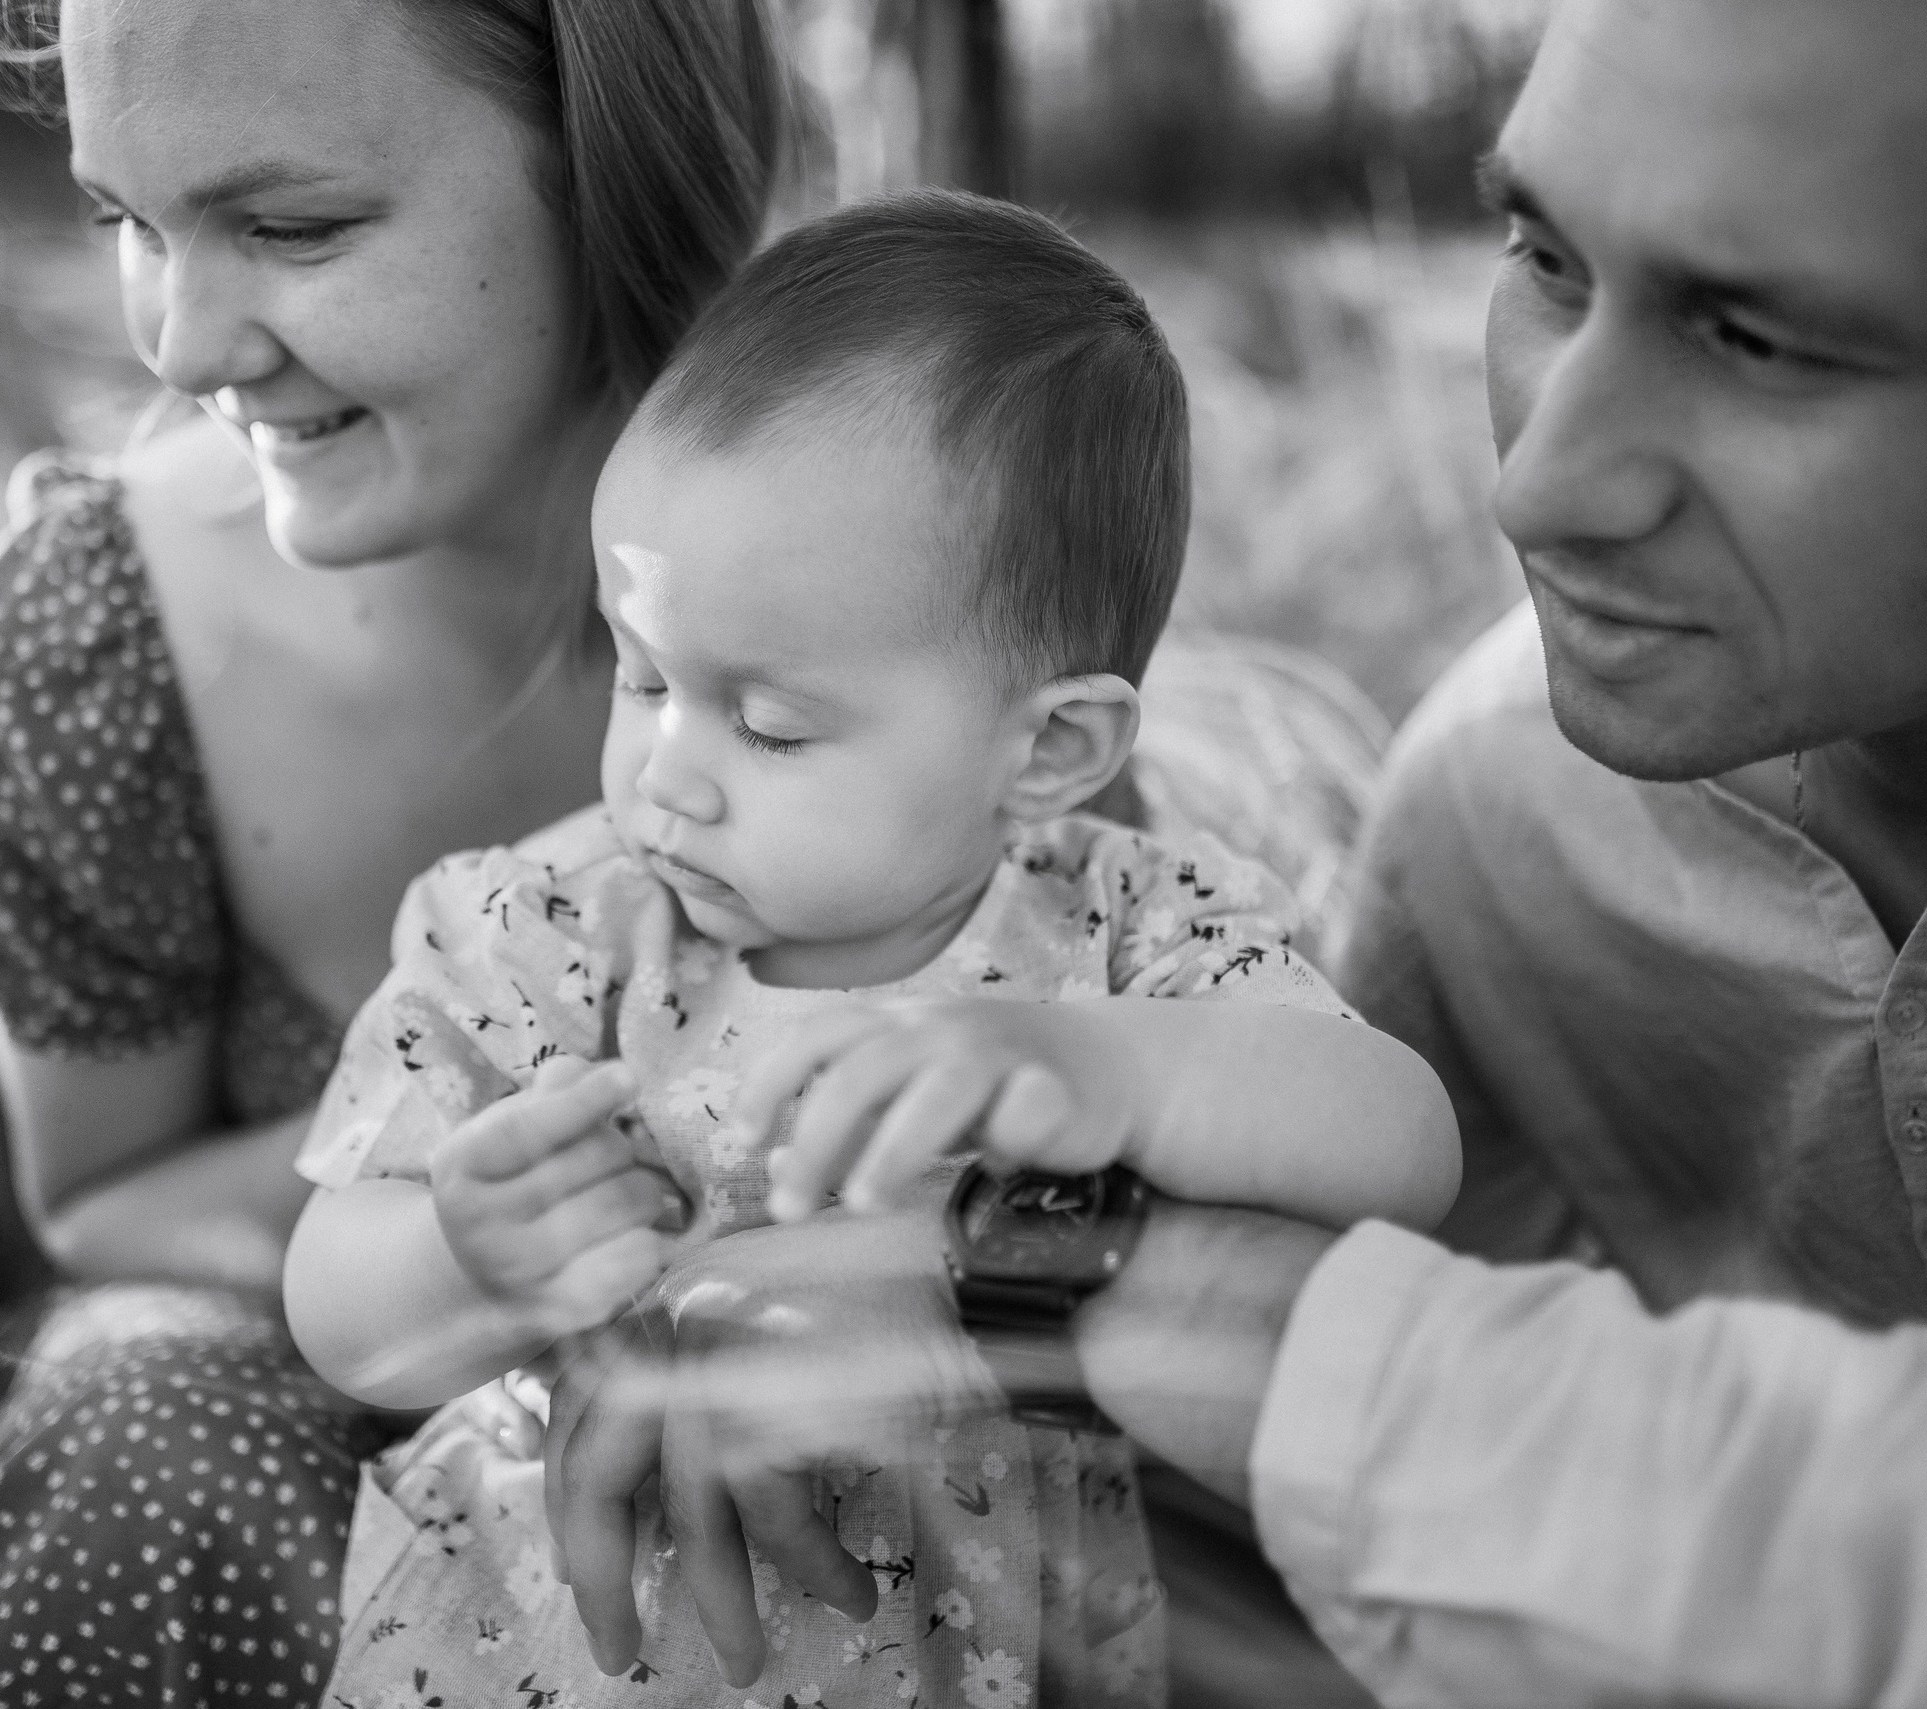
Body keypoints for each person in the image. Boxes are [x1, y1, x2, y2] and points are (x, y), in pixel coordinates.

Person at [551, 1, 1927, 1704]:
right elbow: (1376, 1547)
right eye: (1545, 260)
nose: (1539, 484)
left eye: (1760, 342)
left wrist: (1035, 1291)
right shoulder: (1510, 812)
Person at [282, 194, 1460, 1709]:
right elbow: (339, 1315)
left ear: (1049, 749)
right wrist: (462, 1255)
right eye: (641, 677)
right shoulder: (560, 930)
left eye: (770, 723)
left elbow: (1399, 1145)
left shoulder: (1121, 937)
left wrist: (1100, 1070)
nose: (670, 775)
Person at [0, 1, 785, 1702]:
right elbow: (101, 1201)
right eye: (126, 223)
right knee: (139, 1417)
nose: (178, 341)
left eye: (291, 228)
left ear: (621, 165)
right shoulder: (100, 644)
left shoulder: (900, 536)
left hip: (827, 1425)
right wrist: (494, 1224)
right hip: (316, 1413)